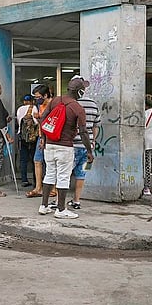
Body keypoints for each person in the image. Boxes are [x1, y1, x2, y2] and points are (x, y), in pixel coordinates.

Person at [38, 78, 94, 219]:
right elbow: (83, 132)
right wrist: (89, 150)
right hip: (65, 147)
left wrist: (44, 139)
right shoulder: (78, 109)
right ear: (80, 91)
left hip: (49, 146)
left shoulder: (55, 100)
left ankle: (43, 206)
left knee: (50, 174)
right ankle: (61, 210)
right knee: (63, 177)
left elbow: (42, 119)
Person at [68, 75, 101, 209]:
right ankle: (76, 201)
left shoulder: (71, 104)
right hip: (87, 148)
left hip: (71, 145)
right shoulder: (93, 104)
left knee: (65, 173)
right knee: (81, 174)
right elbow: (96, 126)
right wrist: (92, 142)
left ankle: (58, 200)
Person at [26, 84, 56, 198]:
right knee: (37, 160)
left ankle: (53, 188)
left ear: (45, 95)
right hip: (41, 135)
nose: (37, 99)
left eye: (38, 97)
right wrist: (39, 118)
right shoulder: (41, 106)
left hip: (51, 137)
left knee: (51, 162)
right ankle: (38, 187)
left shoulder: (53, 105)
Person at [16, 94, 38, 187]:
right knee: (35, 159)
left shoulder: (19, 109)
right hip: (32, 138)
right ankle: (35, 180)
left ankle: (24, 180)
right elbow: (36, 122)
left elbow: (18, 122)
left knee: (23, 159)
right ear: (32, 101)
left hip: (22, 137)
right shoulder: (34, 108)